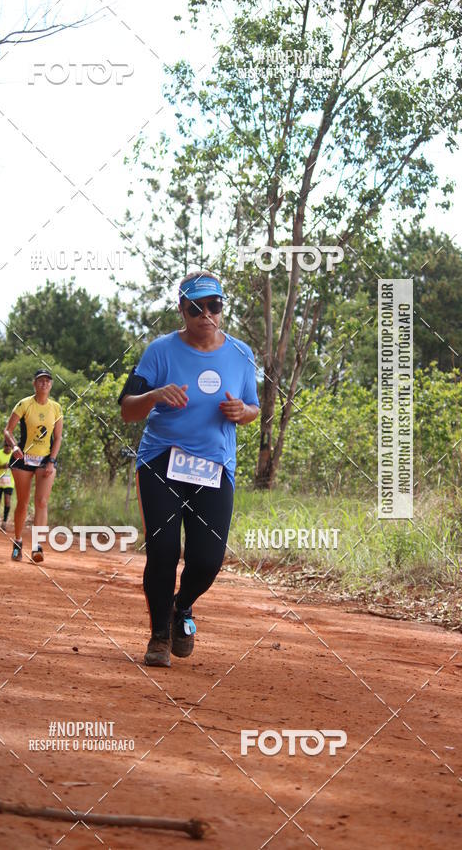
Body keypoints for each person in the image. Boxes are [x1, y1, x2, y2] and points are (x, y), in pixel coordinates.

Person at [119, 271, 259, 667]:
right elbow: (128, 408)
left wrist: (241, 412)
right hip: (162, 460)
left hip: (214, 467)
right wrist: (154, 394)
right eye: (196, 307)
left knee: (208, 560)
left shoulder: (241, 353)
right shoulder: (160, 351)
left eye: (214, 306)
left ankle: (182, 606)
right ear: (182, 310)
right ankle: (159, 636)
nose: (206, 315)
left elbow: (253, 407)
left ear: (222, 309)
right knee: (163, 551)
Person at [3, 369, 63, 563]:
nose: (44, 384)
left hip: (45, 460)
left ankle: (38, 547)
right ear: (34, 384)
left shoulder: (56, 408)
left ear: (51, 385)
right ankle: (18, 542)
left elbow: (58, 437)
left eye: (47, 381)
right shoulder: (24, 404)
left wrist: (52, 460)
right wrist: (13, 447)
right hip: (23, 459)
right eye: (40, 381)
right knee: (23, 502)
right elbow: (8, 430)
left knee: (42, 502)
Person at [0, 439, 15, 531]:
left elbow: (18, 467)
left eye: (10, 446)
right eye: (6, 445)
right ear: (4, 446)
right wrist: (2, 466)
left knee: (7, 500)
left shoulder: (14, 455)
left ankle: (4, 521)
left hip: (9, 482)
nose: (8, 447)